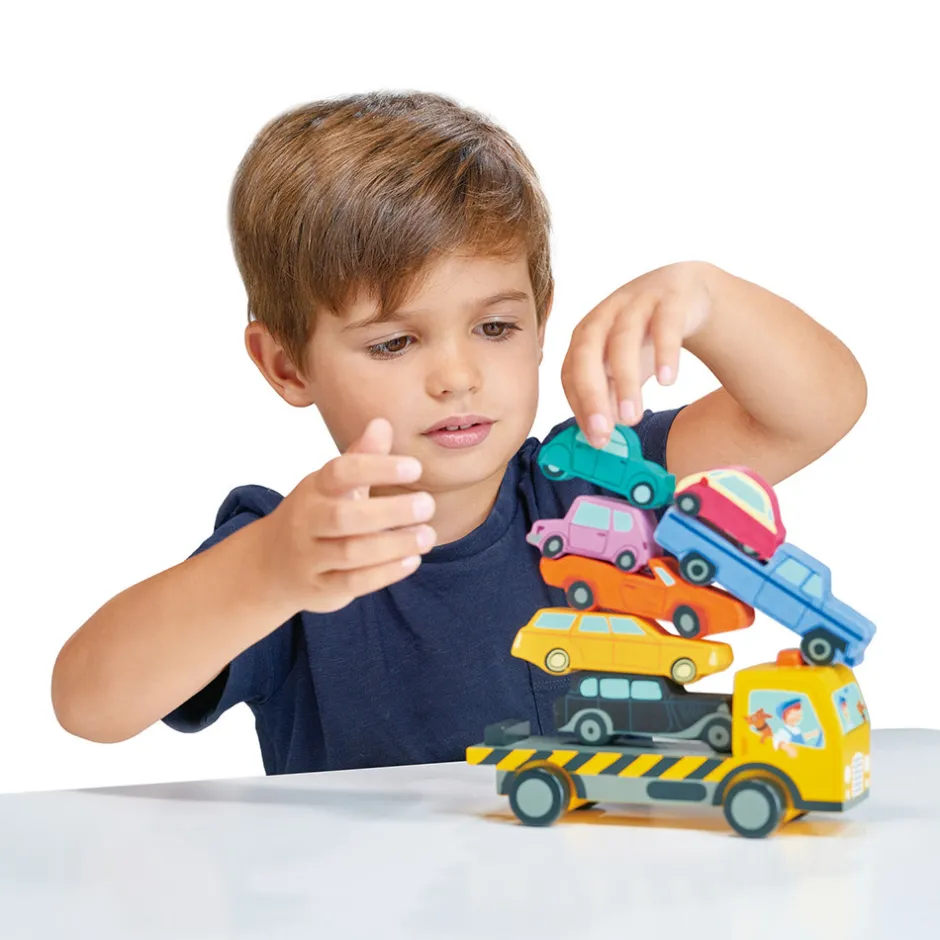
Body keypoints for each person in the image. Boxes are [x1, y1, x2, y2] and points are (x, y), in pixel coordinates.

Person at [50, 91, 867, 775]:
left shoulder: (596, 481)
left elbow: (814, 411)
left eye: (495, 328)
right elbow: (88, 704)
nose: (457, 376)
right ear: (287, 366)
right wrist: (266, 571)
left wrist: (708, 297)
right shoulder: (300, 552)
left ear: (540, 322)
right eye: (394, 342)